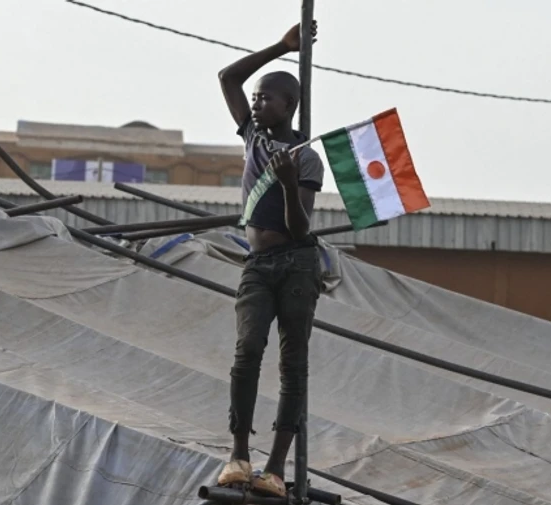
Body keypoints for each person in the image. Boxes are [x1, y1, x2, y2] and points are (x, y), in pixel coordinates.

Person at [215, 20, 322, 498]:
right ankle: (239, 454)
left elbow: (300, 229)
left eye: (266, 99)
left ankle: (276, 468)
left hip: (296, 263)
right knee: (247, 351)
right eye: (256, 98)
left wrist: (287, 185)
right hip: (257, 265)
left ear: (289, 106)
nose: (257, 104)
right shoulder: (252, 139)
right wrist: (281, 46)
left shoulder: (305, 158)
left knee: (292, 364)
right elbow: (228, 78)